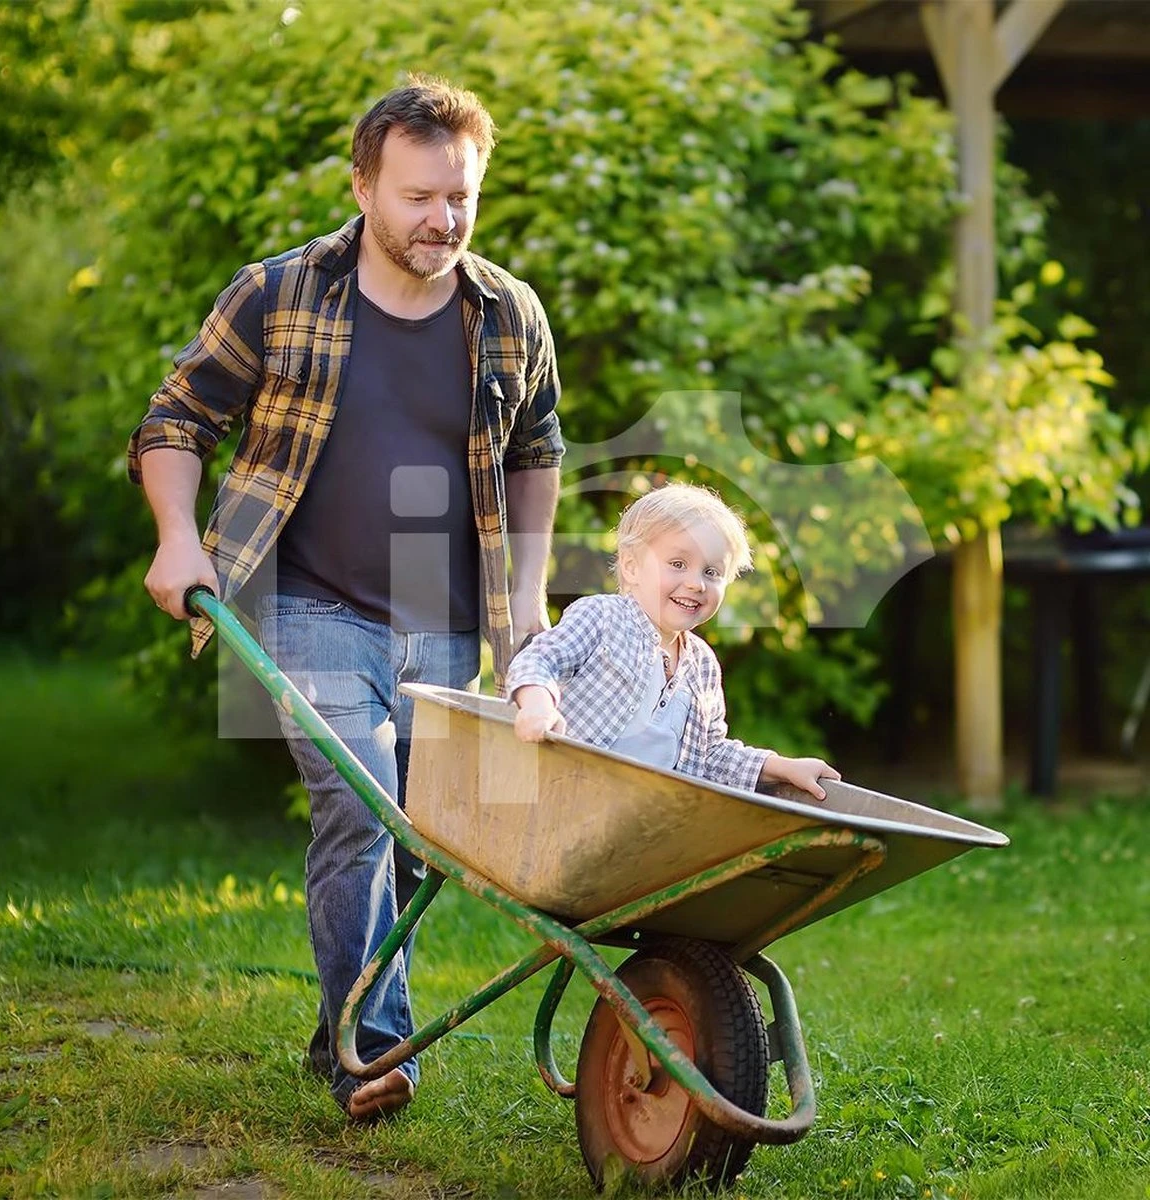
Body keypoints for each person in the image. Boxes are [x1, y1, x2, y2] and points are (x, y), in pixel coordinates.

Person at [127, 77, 563, 1122]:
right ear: (363, 186)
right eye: (417, 196)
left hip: (446, 618)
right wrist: (178, 538)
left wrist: (529, 600)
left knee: (417, 835)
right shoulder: (279, 293)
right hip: (309, 602)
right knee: (361, 809)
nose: (441, 220)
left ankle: (347, 1025)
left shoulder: (506, 314)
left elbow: (536, 453)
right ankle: (374, 1049)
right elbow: (176, 420)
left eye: (460, 196)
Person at [506, 484, 838, 799]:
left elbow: (711, 756)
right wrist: (538, 705)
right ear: (632, 567)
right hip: (565, 791)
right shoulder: (602, 617)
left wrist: (783, 767)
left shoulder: (703, 665)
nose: (696, 583)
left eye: (711, 572)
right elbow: (540, 660)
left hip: (642, 819)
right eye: (678, 564)